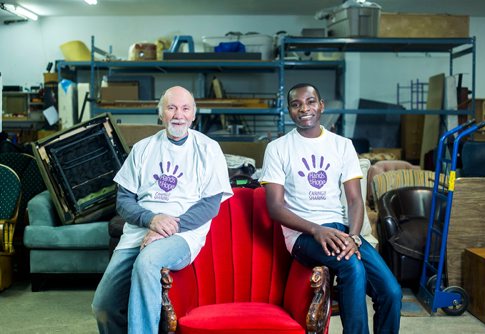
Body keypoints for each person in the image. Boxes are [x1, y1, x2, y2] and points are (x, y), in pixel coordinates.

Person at [259, 83, 402, 334]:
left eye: (310, 101)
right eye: (296, 104)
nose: (304, 108)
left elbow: (355, 200)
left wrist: (354, 238)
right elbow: (275, 207)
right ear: (289, 111)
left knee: (391, 291)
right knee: (352, 267)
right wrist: (316, 230)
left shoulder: (342, 145)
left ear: (321, 106)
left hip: (342, 231)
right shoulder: (278, 148)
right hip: (302, 236)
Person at [92, 86, 233, 333]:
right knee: (103, 306)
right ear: (161, 114)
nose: (178, 114)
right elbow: (123, 200)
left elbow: (210, 205)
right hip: (138, 233)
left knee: (147, 262)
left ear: (193, 115)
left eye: (185, 108)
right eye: (171, 108)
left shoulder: (208, 149)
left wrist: (168, 227)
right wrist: (152, 220)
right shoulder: (143, 149)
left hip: (182, 235)